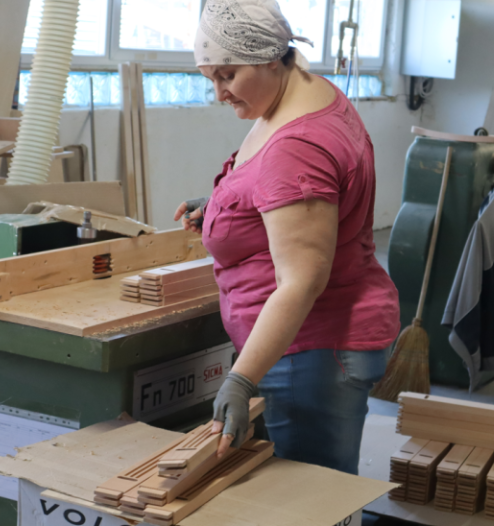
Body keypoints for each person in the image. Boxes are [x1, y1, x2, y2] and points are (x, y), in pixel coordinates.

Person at [173, 0, 400, 476]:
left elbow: (301, 281)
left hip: (311, 351)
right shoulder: (305, 94)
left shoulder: (297, 147)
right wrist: (226, 204)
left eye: (228, 76)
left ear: (271, 58)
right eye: (210, 78)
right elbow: (295, 193)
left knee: (309, 500)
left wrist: (241, 379)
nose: (219, 93)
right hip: (313, 344)